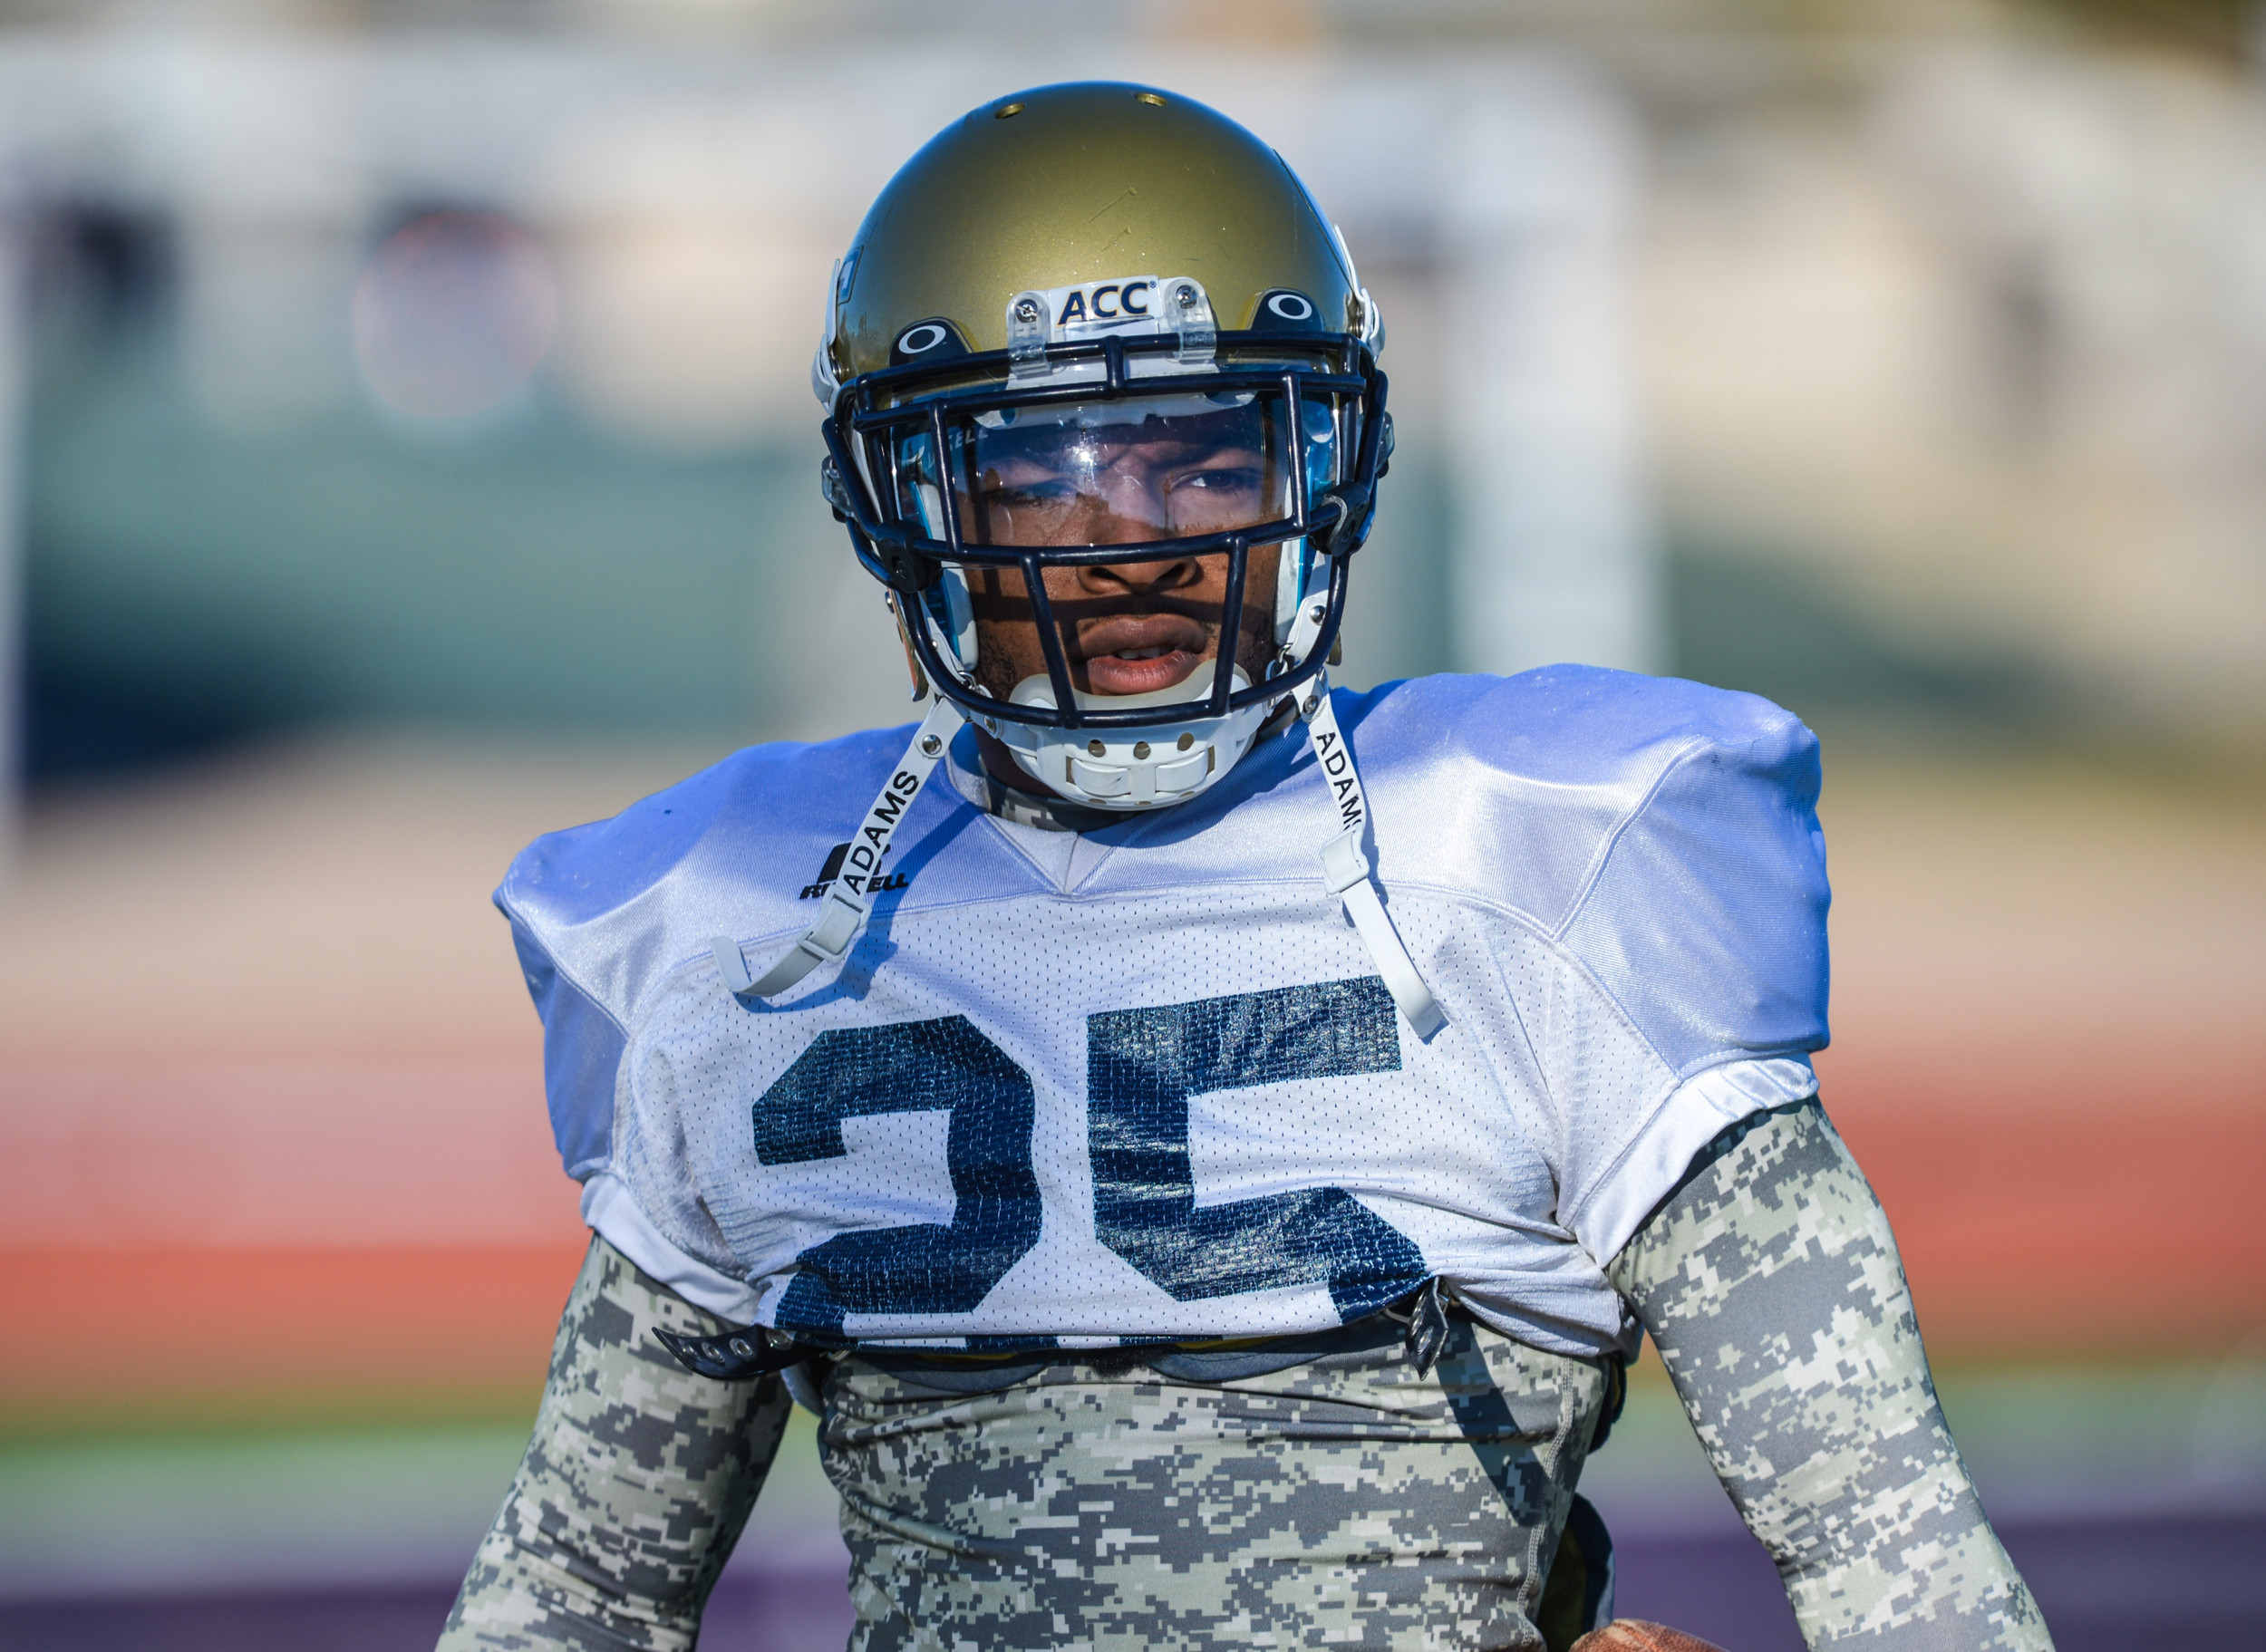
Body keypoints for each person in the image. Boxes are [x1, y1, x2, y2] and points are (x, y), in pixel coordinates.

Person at [441, 82, 2050, 1652]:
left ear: (1316, 473)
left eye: (1204, 459)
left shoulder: (1534, 866)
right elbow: (576, 1592)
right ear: (904, 504)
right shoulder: (746, 926)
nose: (1134, 534)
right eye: (1043, 469)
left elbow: (1884, 1537)